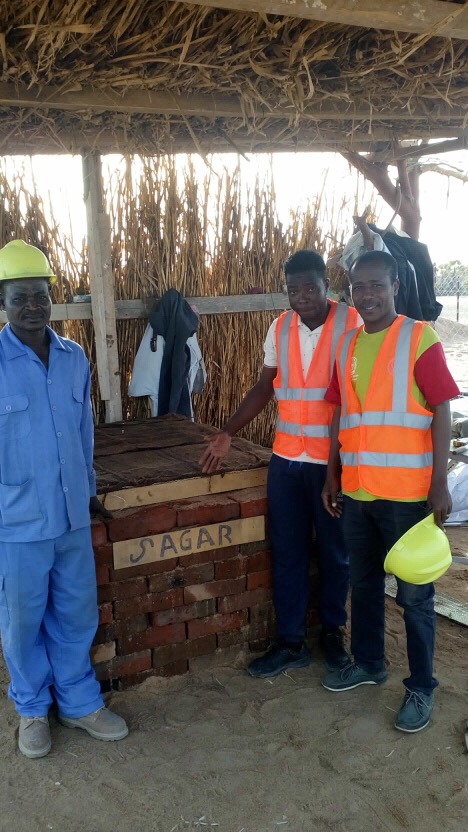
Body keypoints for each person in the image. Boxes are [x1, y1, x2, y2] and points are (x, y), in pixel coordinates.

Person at [200, 249, 360, 677]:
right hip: (286, 462)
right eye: (293, 289)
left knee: (335, 553)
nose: (302, 296)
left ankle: (333, 635)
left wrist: (339, 466)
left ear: (327, 285)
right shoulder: (280, 327)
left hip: (334, 463)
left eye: (310, 287)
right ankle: (290, 642)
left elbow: (358, 395)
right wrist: (227, 431)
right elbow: (264, 386)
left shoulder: (353, 324)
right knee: (287, 551)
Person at [0, 239, 128, 759]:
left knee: (76, 613)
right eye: (20, 297)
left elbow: (83, 434)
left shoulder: (74, 358)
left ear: (52, 297)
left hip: (72, 516)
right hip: (17, 522)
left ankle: (79, 702)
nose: (32, 306)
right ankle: (32, 708)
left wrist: (89, 492)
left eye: (41, 295)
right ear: (4, 302)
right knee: (22, 620)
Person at [322, 249, 459, 733]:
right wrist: (331, 474)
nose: (367, 295)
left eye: (376, 285)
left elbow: (442, 408)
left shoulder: (419, 338)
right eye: (358, 287)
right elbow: (340, 414)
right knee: (362, 585)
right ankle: (368, 663)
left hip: (408, 497)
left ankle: (421, 687)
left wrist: (439, 481)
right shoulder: (347, 345)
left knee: (415, 597)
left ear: (396, 286)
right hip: (358, 492)